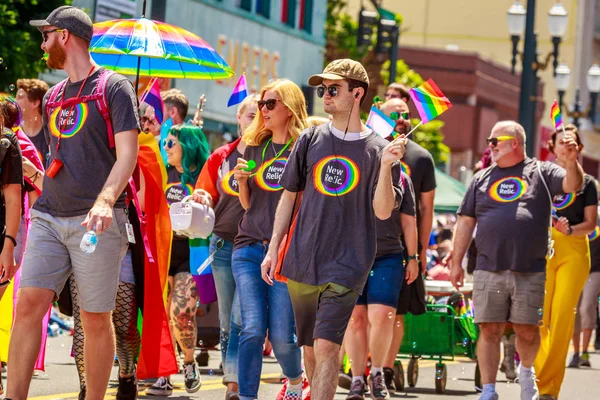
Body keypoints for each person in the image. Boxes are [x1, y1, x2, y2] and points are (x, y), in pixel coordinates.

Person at [5, 7, 139, 400]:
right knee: (28, 304)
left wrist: (104, 200)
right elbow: (61, 166)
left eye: (46, 35)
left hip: (97, 221)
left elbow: (127, 156)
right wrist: (34, 173)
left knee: (95, 318)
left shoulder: (114, 87)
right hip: (48, 215)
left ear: (64, 36)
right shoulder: (54, 97)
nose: (42, 44)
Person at [262, 59, 410, 400]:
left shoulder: (379, 150)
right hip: (302, 259)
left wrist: (387, 167)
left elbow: (383, 210)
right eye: (322, 89)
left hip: (349, 263)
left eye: (333, 89)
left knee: (328, 346)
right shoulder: (310, 138)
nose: (324, 95)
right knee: (311, 350)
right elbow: (288, 197)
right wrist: (273, 249)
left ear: (357, 93)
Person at [450, 121, 584, 400]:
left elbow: (573, 184)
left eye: (494, 140)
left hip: (530, 269)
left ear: (515, 143)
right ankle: (488, 389)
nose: (490, 145)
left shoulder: (542, 171)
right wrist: (456, 262)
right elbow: (465, 223)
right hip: (488, 266)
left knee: (526, 330)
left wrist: (572, 162)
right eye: (489, 140)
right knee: (489, 329)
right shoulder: (481, 178)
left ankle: (526, 372)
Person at [231, 79, 307, 400]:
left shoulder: (303, 148)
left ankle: (295, 378)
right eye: (262, 103)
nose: (263, 110)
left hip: (285, 253)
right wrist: (242, 182)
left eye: (270, 103)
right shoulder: (254, 147)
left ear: (289, 108)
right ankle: (248, 396)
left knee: (280, 336)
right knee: (251, 328)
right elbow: (248, 205)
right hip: (248, 247)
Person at [191, 93, 259, 399]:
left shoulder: (272, 156)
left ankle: (234, 380)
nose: (255, 120)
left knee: (242, 316)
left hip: (256, 246)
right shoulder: (221, 156)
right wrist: (202, 197)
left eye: (260, 115)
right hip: (221, 244)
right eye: (249, 115)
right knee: (227, 317)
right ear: (239, 119)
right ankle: (233, 377)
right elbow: (204, 193)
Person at [534, 125, 597, 398]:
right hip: (543, 249)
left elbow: (591, 224)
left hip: (574, 251)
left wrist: (570, 229)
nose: (564, 146)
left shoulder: (588, 183)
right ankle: (536, 378)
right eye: (560, 142)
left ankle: (549, 388)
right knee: (538, 319)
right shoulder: (540, 174)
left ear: (578, 148)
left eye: (570, 143)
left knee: (560, 320)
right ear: (552, 145)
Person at [146, 124, 210, 396]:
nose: (166, 148)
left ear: (188, 146)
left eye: (172, 144)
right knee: (161, 313)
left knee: (181, 312)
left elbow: (212, 203)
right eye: (165, 143)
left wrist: (203, 197)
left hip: (191, 252)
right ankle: (164, 372)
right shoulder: (162, 171)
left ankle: (188, 363)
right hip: (162, 250)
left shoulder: (204, 173)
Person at [344, 170, 419, 399]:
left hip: (388, 255)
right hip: (350, 255)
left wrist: (413, 257)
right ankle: (357, 378)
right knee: (356, 318)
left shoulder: (402, 178)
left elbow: (408, 222)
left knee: (382, 315)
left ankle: (377, 373)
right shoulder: (351, 166)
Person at [378, 98, 436, 390]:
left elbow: (425, 210)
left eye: (405, 114)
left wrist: (420, 252)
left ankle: (386, 369)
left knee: (395, 313)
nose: (401, 118)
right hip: (363, 246)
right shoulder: (367, 148)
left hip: (399, 248)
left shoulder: (421, 158)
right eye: (394, 114)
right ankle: (360, 369)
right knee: (359, 314)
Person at [571, 194, 600, 368]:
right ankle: (575, 353)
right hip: (574, 267)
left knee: (586, 307)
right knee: (573, 311)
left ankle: (585, 352)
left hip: (595, 271)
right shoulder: (573, 218)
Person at [16, 79, 50, 167]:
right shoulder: (13, 132)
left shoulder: (51, 136)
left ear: (35, 103)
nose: (15, 101)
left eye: (20, 97)